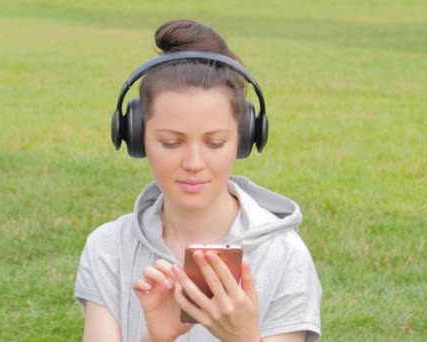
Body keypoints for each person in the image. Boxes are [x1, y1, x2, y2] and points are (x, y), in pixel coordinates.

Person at [74, 19, 322, 341]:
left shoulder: (285, 256)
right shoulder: (108, 248)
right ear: (136, 136)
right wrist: (156, 339)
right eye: (171, 143)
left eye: (215, 143)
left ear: (244, 139)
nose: (193, 164)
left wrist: (243, 338)